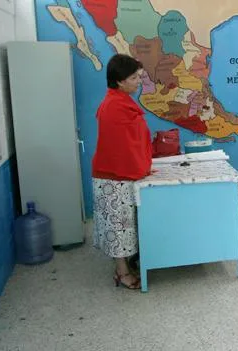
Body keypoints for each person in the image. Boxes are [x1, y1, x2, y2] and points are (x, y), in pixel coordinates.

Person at [92, 54, 152, 290]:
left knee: (126, 224)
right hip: (113, 176)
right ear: (119, 81)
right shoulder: (115, 107)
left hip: (118, 174)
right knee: (119, 226)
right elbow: (121, 148)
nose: (139, 81)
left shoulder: (121, 101)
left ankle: (127, 263)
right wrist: (140, 167)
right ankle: (122, 273)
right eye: (134, 77)